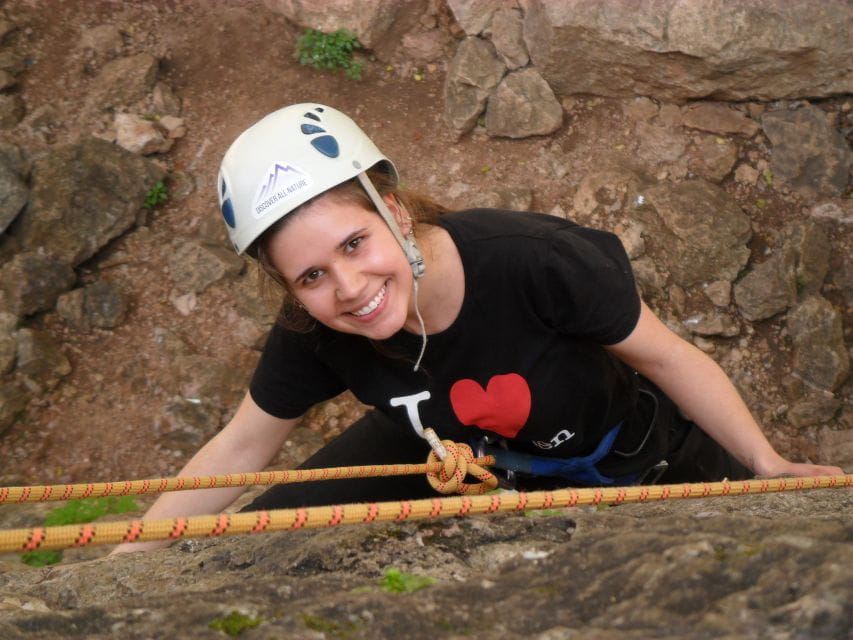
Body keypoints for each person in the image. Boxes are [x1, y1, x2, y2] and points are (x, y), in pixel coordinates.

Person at [112, 103, 842, 553]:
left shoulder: (530, 262)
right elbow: (240, 445)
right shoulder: (317, 328)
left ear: (393, 211)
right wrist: (127, 557)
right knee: (266, 531)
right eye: (309, 277)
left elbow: (666, 357)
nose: (349, 290)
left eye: (354, 245)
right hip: (451, 449)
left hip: (635, 449)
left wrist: (764, 463)